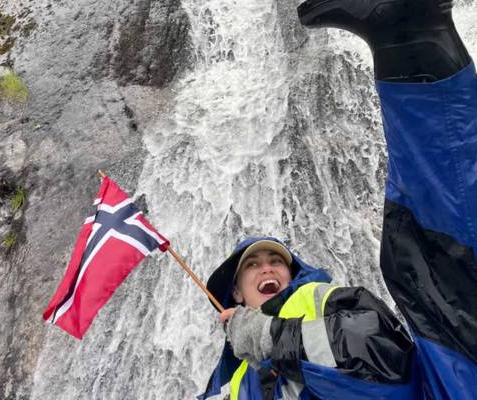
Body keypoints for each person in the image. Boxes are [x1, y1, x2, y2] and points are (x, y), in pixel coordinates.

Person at [199, 0, 477, 399]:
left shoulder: (323, 301)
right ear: (236, 294)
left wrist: (272, 336)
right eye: (254, 264)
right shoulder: (228, 382)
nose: (268, 267)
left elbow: (384, 359)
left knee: (430, 267)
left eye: (277, 260)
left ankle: (410, 35)